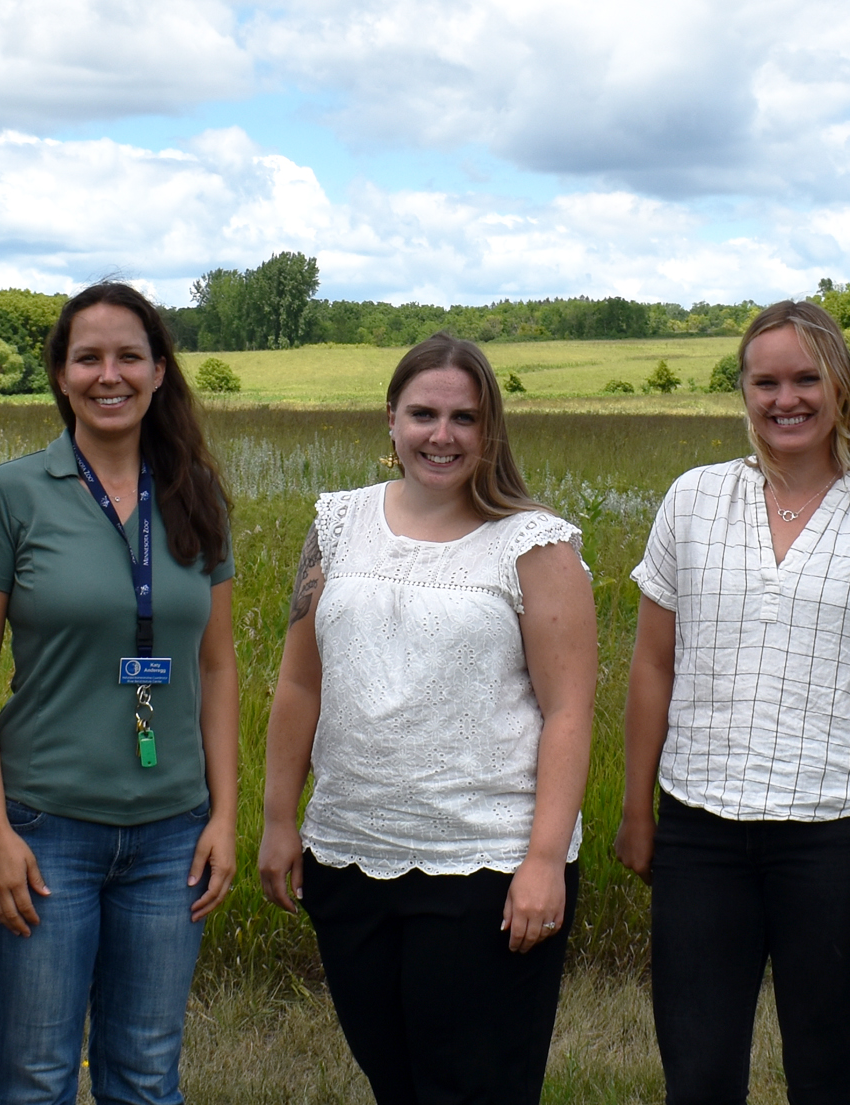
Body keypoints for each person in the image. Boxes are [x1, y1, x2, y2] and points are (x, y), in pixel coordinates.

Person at [614, 300, 850, 1104]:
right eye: (765, 381)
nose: (785, 398)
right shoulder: (693, 500)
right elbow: (652, 665)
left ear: (841, 388)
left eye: (805, 378)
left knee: (826, 1073)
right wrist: (637, 809)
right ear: (743, 389)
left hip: (842, 831)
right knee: (697, 1075)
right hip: (702, 827)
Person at [257, 331, 598, 1104]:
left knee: (474, 1087)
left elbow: (569, 711)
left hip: (486, 863)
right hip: (351, 853)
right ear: (390, 419)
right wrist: (281, 819)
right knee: (395, 1079)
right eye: (423, 414)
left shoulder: (535, 542)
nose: (441, 435)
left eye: (464, 418)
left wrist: (544, 859)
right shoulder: (338, 523)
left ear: (490, 429)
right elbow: (298, 686)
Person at [0, 282, 239, 1105]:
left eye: (128, 356)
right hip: (45, 830)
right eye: (88, 357)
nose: (107, 374)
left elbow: (218, 667)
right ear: (60, 373)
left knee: (147, 1077)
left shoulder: (197, 494)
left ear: (158, 371)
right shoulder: (12, 495)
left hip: (171, 838)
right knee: (34, 1079)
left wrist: (225, 814)